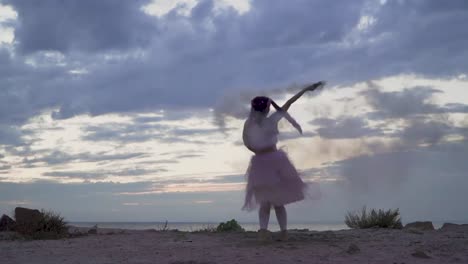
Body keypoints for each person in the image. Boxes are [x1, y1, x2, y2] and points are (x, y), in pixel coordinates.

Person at [242, 81, 325, 242]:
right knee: (267, 201)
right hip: (266, 161)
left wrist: (306, 89)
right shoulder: (255, 123)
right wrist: (306, 89)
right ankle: (265, 232)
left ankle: (280, 232)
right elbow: (288, 103)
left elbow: (246, 142)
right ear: (266, 108)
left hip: (268, 161)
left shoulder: (261, 121)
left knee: (274, 201)